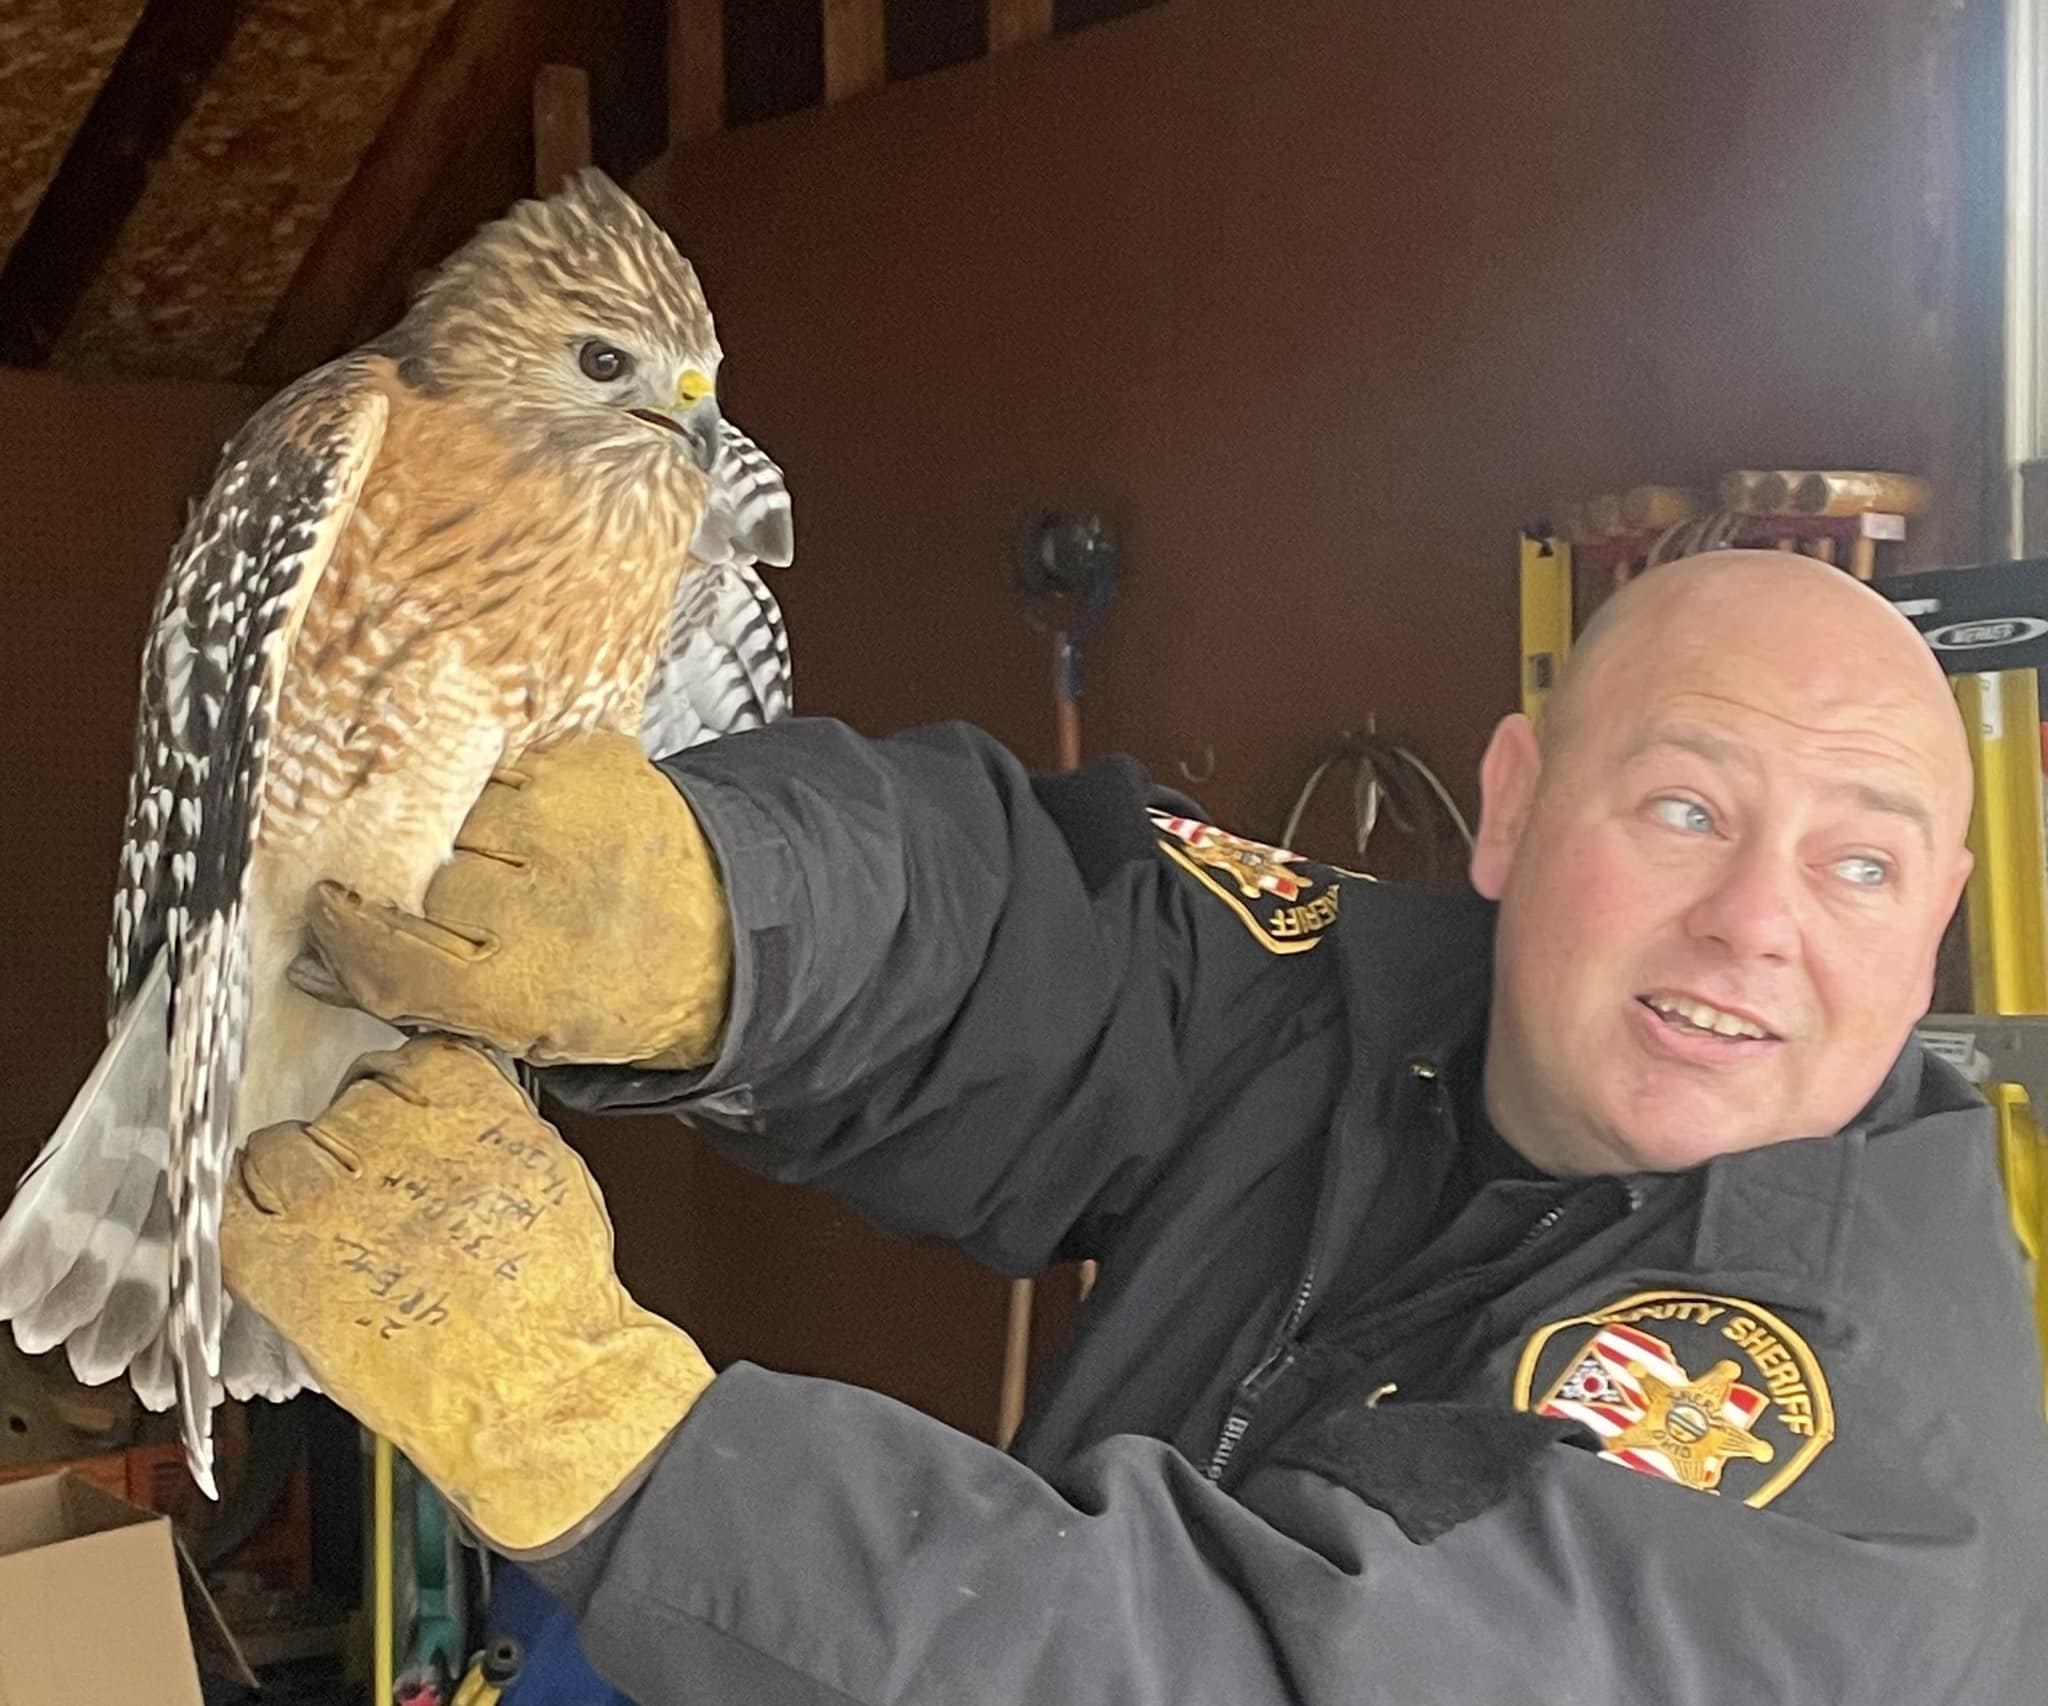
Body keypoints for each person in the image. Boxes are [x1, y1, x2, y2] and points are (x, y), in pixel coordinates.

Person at [222, 549, 2048, 1704]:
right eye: (1683, 808)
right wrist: (718, 913)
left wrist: (601, 1435)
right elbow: (1061, 938)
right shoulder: (1383, 1016)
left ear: (1936, 919)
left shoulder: (1856, 1453)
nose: (1757, 921)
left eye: (1862, 862)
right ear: (1508, 808)